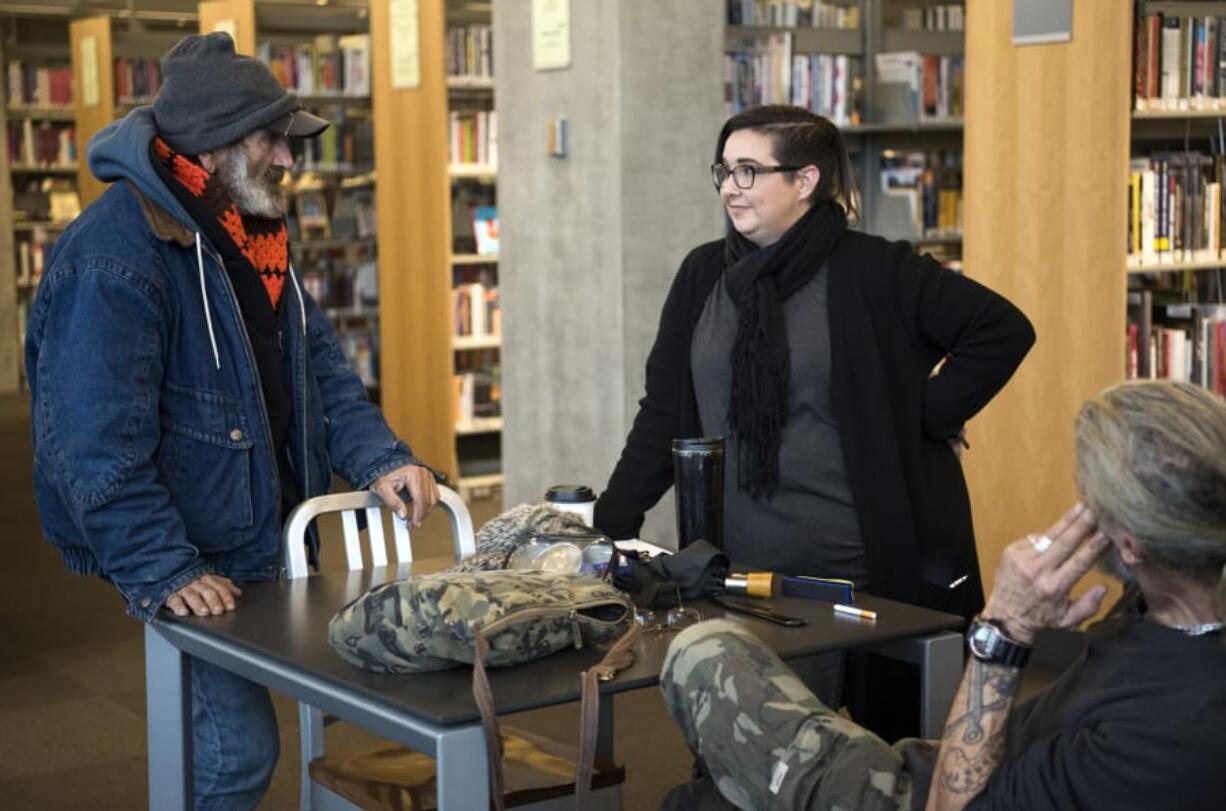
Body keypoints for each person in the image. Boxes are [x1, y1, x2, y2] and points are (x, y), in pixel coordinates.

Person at [26, 33, 439, 809]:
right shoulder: (115, 255)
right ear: (214, 149)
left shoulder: (250, 234)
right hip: (192, 549)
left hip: (264, 540)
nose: (288, 159)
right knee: (233, 753)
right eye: (271, 140)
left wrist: (380, 456)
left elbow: (319, 368)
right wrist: (163, 568)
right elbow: (88, 443)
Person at [659, 380, 1226, 811]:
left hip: (926, 795)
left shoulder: (1165, 740)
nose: (1079, 507)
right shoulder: (1179, 595)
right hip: (948, 761)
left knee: (705, 649)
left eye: (1089, 495)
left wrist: (1002, 631)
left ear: (1130, 544)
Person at [594, 105, 1034, 623]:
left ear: (805, 180)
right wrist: (607, 525)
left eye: (748, 171)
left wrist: (924, 417)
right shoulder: (702, 274)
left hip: (859, 574)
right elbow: (665, 411)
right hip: (732, 571)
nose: (729, 188)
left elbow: (1001, 330)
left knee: (872, 704)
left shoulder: (875, 270)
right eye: (724, 170)